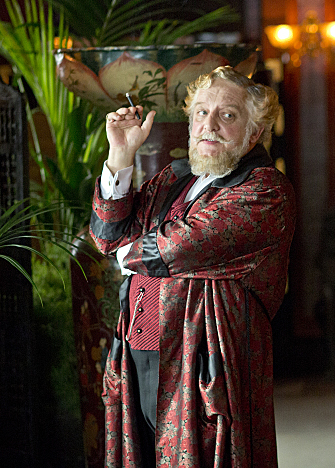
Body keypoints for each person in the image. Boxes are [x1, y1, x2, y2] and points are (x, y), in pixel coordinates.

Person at [90, 66, 296, 468]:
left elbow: (180, 247)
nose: (209, 125)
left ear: (255, 131)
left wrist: (126, 254)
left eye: (227, 115)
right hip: (137, 357)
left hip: (203, 367)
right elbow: (107, 236)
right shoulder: (174, 177)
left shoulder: (266, 189)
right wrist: (121, 154)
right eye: (201, 112)